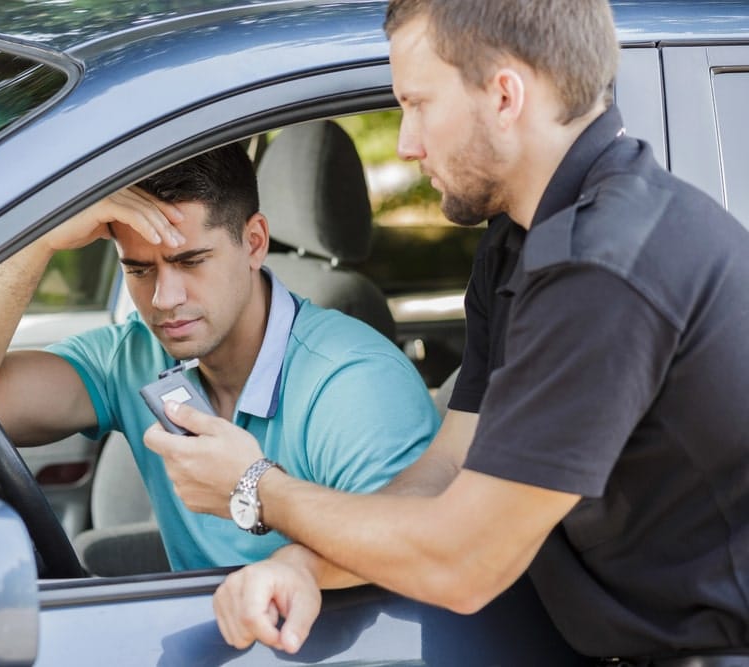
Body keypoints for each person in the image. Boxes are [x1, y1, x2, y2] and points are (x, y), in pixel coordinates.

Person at [143, 0, 749, 663]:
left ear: (505, 95)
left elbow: (466, 560)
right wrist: (303, 565)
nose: (406, 142)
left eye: (418, 103)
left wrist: (256, 487)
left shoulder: (604, 266)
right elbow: (445, 469)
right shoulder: (520, 244)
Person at [0, 143, 439, 571]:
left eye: (191, 261)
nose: (163, 299)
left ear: (254, 243)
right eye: (139, 269)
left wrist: (255, 488)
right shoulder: (133, 355)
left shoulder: (352, 381)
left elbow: (412, 563)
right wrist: (36, 240)